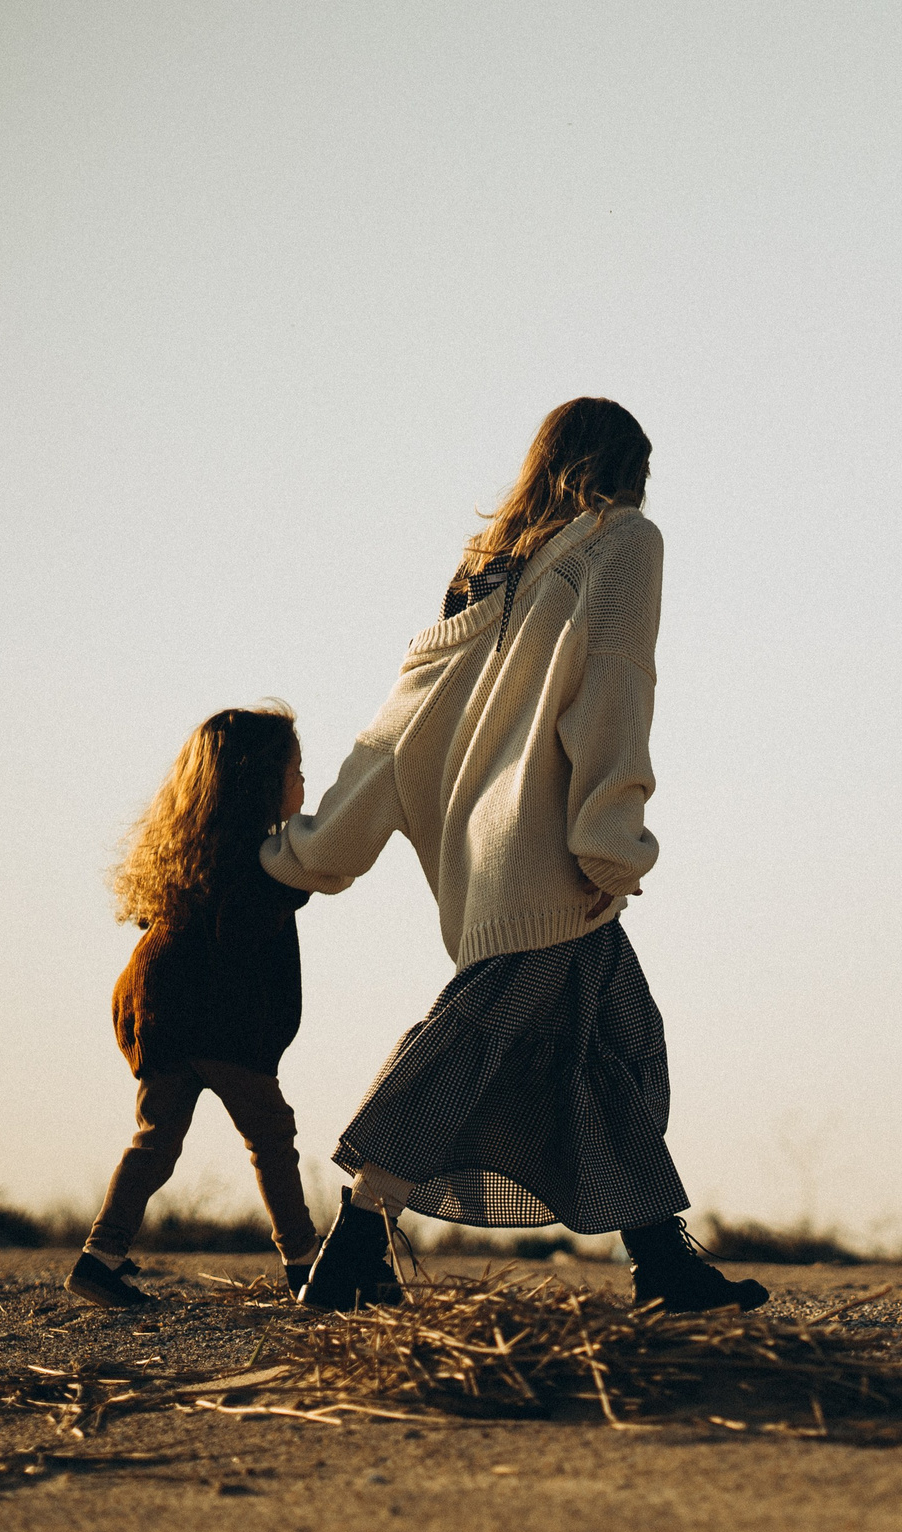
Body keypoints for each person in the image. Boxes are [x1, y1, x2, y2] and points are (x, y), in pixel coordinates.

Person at [262, 397, 766, 1315]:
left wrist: (306, 852)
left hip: (488, 873)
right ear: (629, 467)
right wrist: (609, 842)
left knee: (613, 1042)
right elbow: (615, 686)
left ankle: (661, 1260)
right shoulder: (624, 544)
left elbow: (390, 741)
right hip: (556, 864)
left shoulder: (480, 579)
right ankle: (351, 1249)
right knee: (460, 1053)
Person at [72, 705, 319, 1307]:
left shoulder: (195, 857)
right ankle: (305, 1264)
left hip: (158, 1012)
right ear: (260, 782)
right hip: (221, 1023)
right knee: (271, 1136)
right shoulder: (257, 862)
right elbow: (312, 872)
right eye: (297, 771)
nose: (305, 784)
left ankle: (99, 1259)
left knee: (155, 1139)